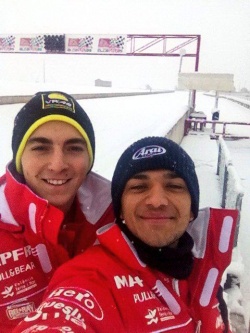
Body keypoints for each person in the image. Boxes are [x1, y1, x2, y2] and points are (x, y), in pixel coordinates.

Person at [13, 136, 238, 333]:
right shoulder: (90, 278)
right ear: (120, 209)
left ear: (192, 208)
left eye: (174, 186)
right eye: (139, 187)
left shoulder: (205, 270)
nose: (157, 201)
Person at [0, 91, 114, 332]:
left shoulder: (117, 218)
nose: (58, 164)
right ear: (20, 157)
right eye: (41, 148)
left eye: (73, 148)